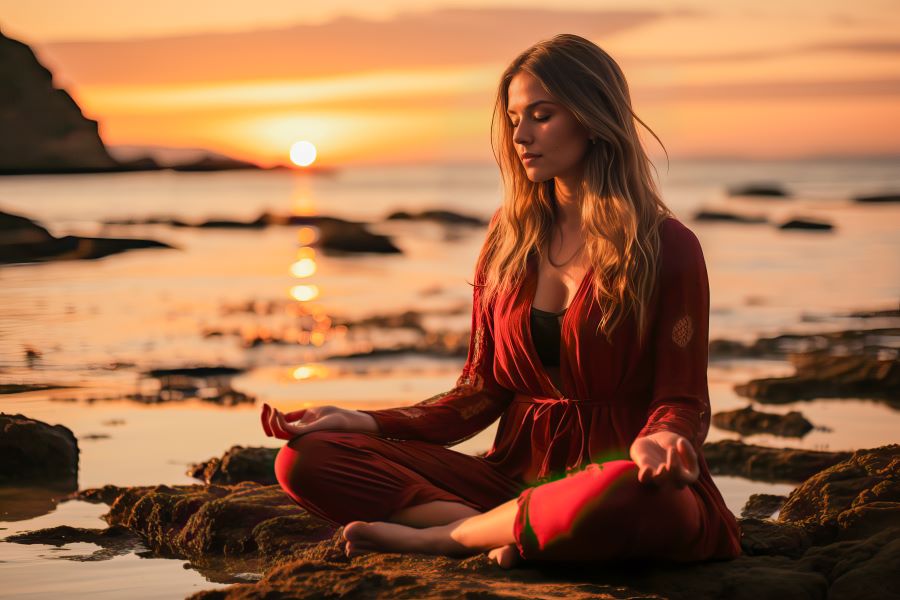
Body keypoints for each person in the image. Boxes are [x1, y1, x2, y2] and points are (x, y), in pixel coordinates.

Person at [261, 33, 742, 568]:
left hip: (623, 481)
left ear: (592, 117)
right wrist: (365, 422)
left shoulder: (667, 246)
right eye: (514, 119)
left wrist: (663, 439)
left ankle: (445, 537)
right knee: (305, 459)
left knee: (621, 491)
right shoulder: (507, 238)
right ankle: (498, 531)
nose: (521, 135)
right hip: (508, 482)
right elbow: (479, 392)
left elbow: (684, 398)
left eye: (541, 115)